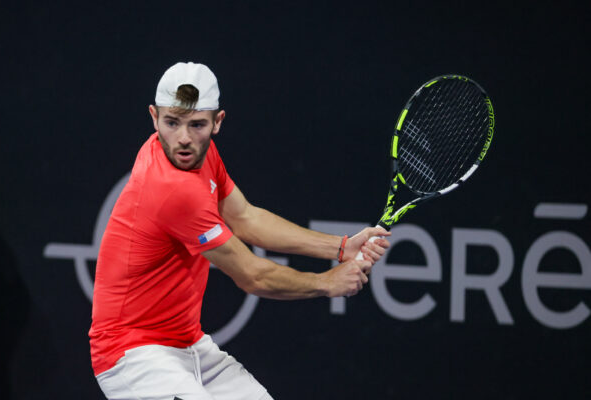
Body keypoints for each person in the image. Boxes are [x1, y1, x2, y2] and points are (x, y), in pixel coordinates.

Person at [89, 62, 391, 400]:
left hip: (189, 346)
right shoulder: (173, 189)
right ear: (153, 116)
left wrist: (341, 247)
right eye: (171, 123)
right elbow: (254, 277)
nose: (184, 138)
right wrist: (326, 283)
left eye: (197, 125)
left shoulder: (201, 156)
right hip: (134, 355)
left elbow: (246, 218)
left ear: (217, 122)